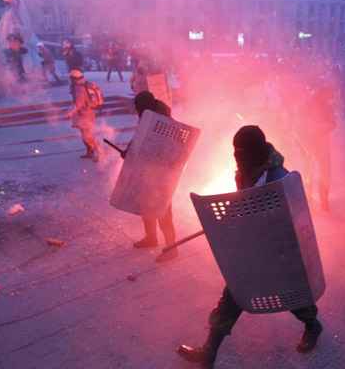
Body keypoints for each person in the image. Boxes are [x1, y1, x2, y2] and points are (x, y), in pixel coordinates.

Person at [177, 126, 323, 368]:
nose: (238, 159)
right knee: (233, 296)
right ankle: (209, 351)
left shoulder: (278, 178)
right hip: (252, 251)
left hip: (278, 251)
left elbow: (289, 220)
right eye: (236, 153)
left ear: (255, 152)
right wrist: (225, 223)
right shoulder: (246, 171)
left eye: (241, 154)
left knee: (291, 295)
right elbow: (242, 202)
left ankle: (312, 324)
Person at [130, 91, 178, 263]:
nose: (137, 111)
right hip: (148, 171)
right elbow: (140, 137)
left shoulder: (163, 123)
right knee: (147, 205)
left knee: (163, 211)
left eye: (138, 108)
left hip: (162, 174)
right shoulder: (149, 115)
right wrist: (130, 151)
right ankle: (151, 238)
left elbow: (164, 149)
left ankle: (172, 248)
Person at [68, 69, 101, 162]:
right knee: (86, 134)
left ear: (73, 78)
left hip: (84, 115)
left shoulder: (79, 88)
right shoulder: (84, 84)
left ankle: (98, 153)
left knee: (87, 135)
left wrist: (71, 112)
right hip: (88, 112)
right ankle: (90, 152)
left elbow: (79, 103)